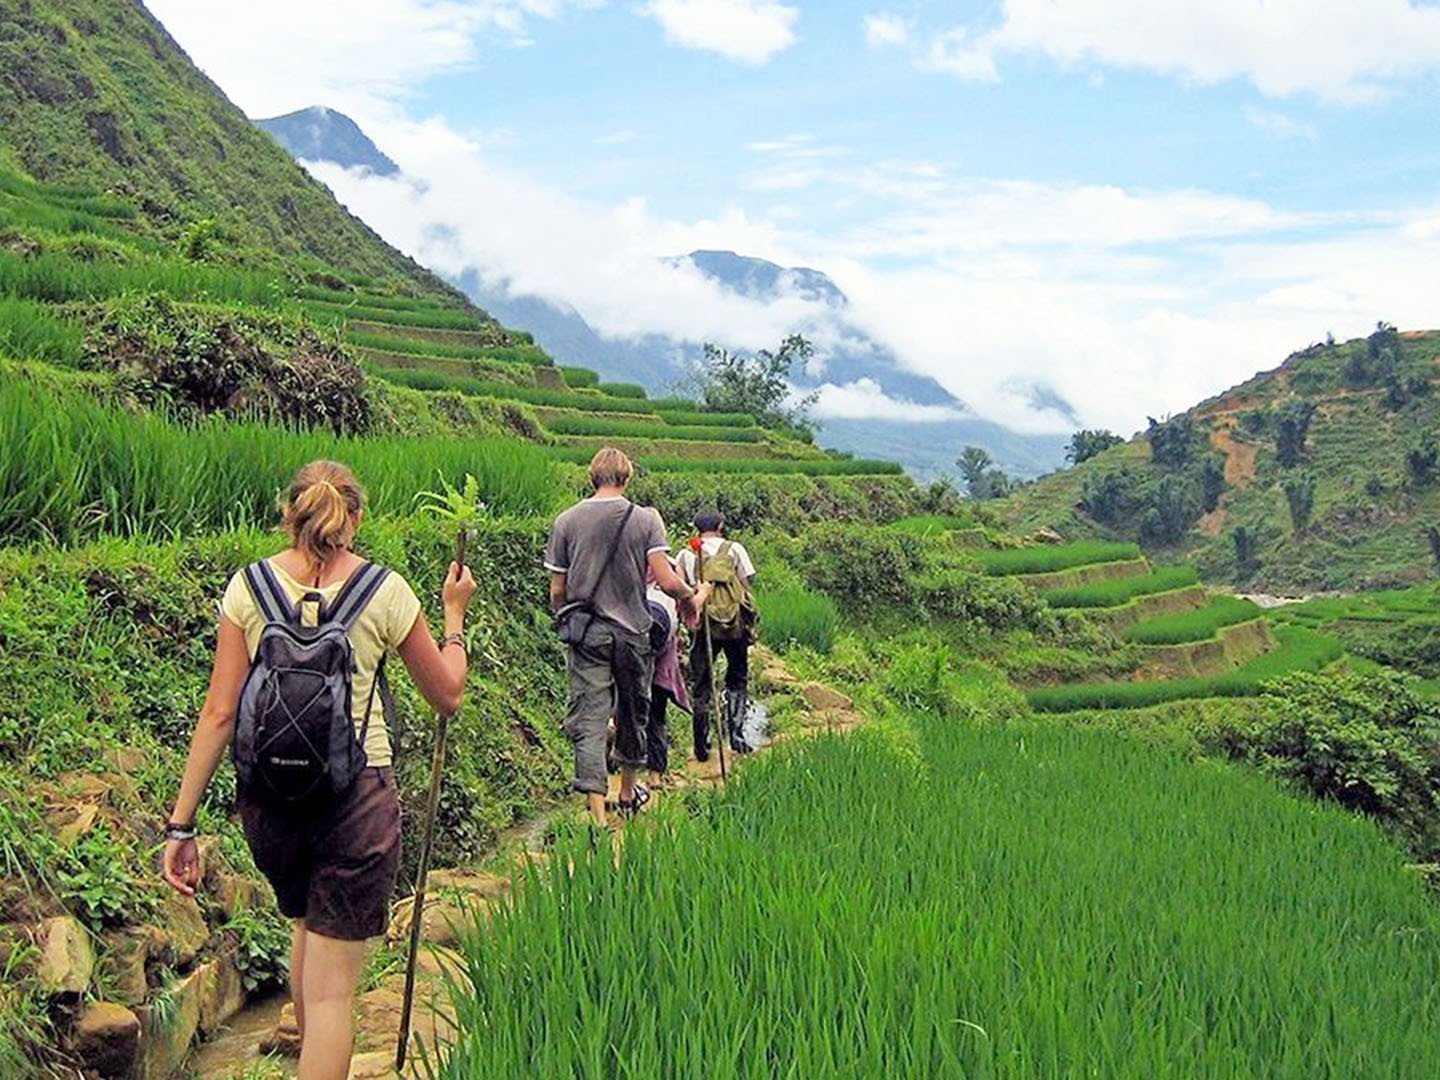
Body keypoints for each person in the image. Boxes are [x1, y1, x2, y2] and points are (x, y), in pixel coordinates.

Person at [161, 461, 475, 1080]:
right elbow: (448, 695)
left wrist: (180, 824)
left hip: (270, 804)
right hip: (357, 801)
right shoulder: (385, 591)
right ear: (354, 517)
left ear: (290, 514)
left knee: (306, 926)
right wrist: (455, 618)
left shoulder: (248, 587)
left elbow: (221, 712)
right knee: (334, 997)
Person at [545, 448, 708, 826]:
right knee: (634, 710)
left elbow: (557, 590)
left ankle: (598, 816)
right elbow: (666, 581)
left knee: (591, 717)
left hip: (588, 634)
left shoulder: (566, 521)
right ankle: (628, 790)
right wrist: (692, 597)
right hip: (633, 631)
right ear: (627, 478)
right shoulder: (646, 519)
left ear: (591, 477)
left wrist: (569, 616)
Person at [677, 510, 757, 760]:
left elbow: (683, 593)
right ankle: (737, 735)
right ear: (721, 526)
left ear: (696, 528)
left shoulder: (686, 554)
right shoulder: (735, 549)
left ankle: (701, 746)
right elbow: (745, 587)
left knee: (701, 683)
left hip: (703, 625)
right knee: (738, 677)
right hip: (734, 624)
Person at [642, 558, 693, 782]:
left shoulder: (631, 572)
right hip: (661, 666)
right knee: (656, 716)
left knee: (627, 710)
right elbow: (690, 616)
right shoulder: (671, 570)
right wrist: (700, 592)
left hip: (628, 658)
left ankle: (621, 776)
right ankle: (655, 776)